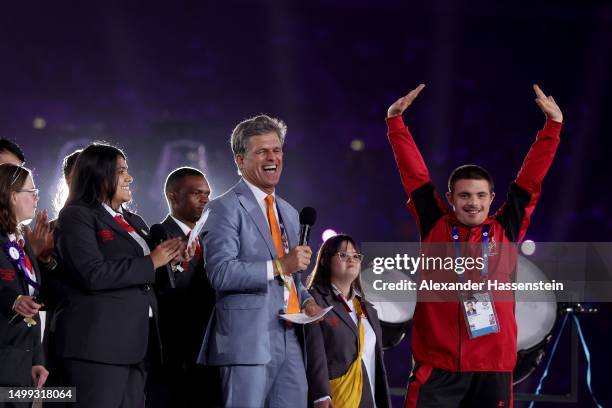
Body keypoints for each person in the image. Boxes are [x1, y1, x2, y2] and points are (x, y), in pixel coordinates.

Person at [385, 83, 562, 407]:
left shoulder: (505, 230)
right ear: (451, 198)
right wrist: (395, 123)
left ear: (491, 198)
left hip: (492, 368)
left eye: (481, 196)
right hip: (437, 368)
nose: (473, 203)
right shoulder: (434, 225)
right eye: (464, 195)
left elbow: (529, 181)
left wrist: (552, 129)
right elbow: (414, 175)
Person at [197, 114, 323, 408]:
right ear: (240, 161)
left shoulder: (290, 213)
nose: (272, 157)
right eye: (262, 151)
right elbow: (220, 273)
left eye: (277, 149)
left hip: (290, 339)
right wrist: (280, 265)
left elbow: (291, 277)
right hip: (245, 342)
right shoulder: (223, 209)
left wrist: (306, 301)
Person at [53, 143, 186, 408]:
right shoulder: (76, 216)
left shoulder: (135, 222)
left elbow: (148, 274)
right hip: (98, 348)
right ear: (99, 175)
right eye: (121, 171)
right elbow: (93, 274)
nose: (130, 177)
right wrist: (152, 261)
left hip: (136, 345)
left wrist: (174, 262)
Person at [146, 166, 220, 407]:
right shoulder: (158, 236)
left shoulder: (214, 239)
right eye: (196, 193)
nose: (204, 199)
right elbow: (163, 292)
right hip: (175, 355)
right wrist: (178, 267)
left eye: (207, 194)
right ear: (173, 196)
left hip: (212, 352)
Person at [305, 234, 391, 408]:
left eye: (355, 255)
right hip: (337, 398)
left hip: (370, 397)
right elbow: (315, 353)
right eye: (343, 255)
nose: (351, 259)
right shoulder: (314, 301)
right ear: (324, 261)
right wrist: (320, 395)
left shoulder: (368, 309)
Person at [0, 164, 49, 400]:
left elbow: (32, 305)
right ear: (12, 196)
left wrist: (35, 359)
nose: (36, 196)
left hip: (20, 366)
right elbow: (14, 298)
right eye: (31, 191)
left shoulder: (21, 240)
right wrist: (13, 300)